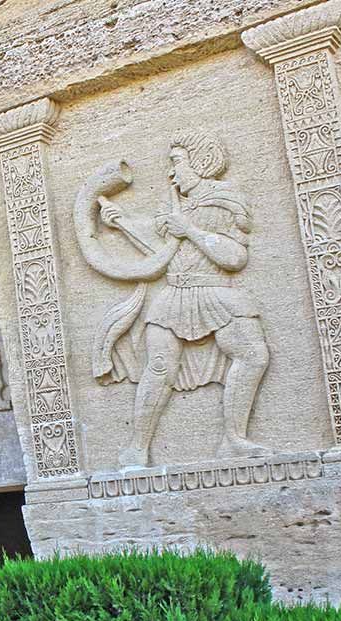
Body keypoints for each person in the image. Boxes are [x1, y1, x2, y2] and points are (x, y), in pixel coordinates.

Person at [83, 133, 271, 467]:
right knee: (158, 368)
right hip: (173, 298)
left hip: (216, 292)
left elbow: (234, 258)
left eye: (177, 162)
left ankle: (234, 440)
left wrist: (190, 230)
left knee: (254, 355)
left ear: (201, 162)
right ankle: (137, 448)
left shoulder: (226, 201)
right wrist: (122, 222)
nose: (171, 172)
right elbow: (163, 251)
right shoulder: (171, 205)